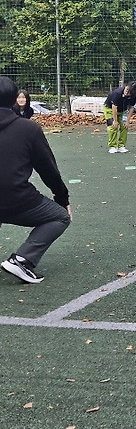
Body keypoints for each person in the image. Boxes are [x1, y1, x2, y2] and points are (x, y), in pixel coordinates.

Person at [0, 76, 72, 284]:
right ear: (15, 99)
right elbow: (48, 169)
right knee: (59, 217)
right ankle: (22, 260)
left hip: (13, 198)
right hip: (16, 199)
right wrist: (62, 199)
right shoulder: (28, 129)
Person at [104, 81, 136, 154]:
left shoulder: (133, 96)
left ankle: (121, 146)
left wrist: (127, 121)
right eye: (127, 90)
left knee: (125, 127)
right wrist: (115, 121)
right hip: (110, 109)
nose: (127, 92)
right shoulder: (117, 93)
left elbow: (131, 108)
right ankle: (112, 147)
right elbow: (114, 107)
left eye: (129, 91)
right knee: (113, 127)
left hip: (122, 111)